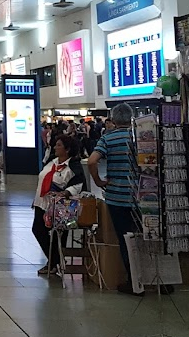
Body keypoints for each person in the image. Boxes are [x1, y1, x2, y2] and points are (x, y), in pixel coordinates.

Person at [88, 103, 140, 295]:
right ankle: (156, 277)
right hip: (144, 196)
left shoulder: (108, 137)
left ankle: (134, 281)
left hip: (118, 197)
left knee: (126, 239)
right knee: (148, 237)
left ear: (113, 119)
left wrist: (99, 181)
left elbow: (92, 161)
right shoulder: (142, 136)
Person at [32, 134, 87, 275]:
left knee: (60, 234)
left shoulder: (74, 166)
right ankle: (56, 260)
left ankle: (54, 262)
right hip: (42, 202)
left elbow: (79, 185)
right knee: (38, 229)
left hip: (63, 205)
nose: (55, 147)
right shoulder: (52, 161)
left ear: (67, 149)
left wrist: (66, 193)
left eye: (59, 145)